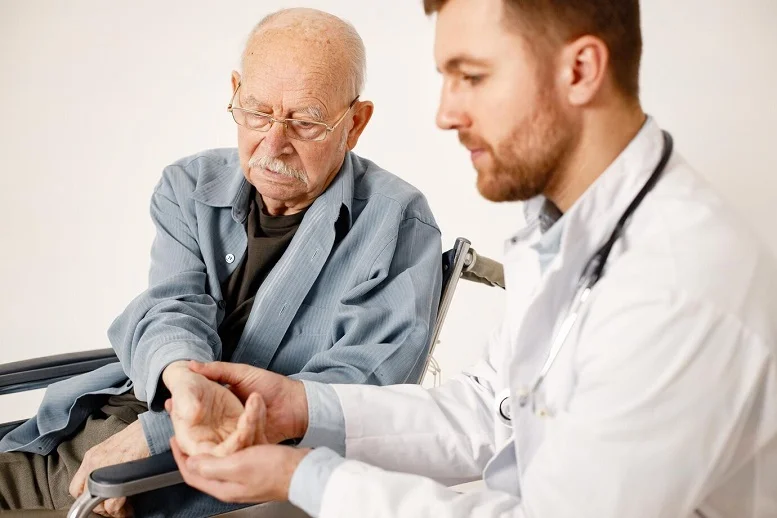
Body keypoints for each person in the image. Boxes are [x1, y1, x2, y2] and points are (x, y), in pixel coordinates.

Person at [167, 0, 777, 517]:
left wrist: (307, 478)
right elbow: (488, 413)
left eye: (472, 76)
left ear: (581, 70)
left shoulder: (676, 283)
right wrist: (294, 406)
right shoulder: (569, 234)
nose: (445, 113)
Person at [0, 8, 442, 518]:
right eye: (257, 112)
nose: (274, 143)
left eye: (306, 120)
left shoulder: (397, 224)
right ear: (235, 91)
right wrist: (180, 383)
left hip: (190, 481)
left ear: (355, 123)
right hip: (101, 426)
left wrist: (162, 436)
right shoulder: (188, 187)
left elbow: (359, 397)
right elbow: (172, 308)